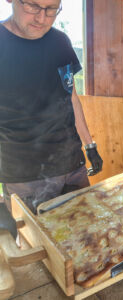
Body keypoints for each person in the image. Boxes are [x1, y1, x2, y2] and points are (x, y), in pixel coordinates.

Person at [0, 0, 103, 237]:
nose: (42, 18)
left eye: (51, 9)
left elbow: (72, 98)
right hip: (25, 175)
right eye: (33, 6)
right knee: (40, 250)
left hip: (72, 165)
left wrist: (90, 146)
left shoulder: (61, 42)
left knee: (88, 236)